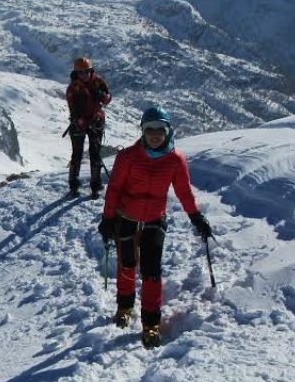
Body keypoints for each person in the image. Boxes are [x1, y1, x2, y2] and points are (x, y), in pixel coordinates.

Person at [97, 105, 212, 348]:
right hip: (125, 216)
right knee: (127, 264)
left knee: (151, 271)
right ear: (142, 131)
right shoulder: (127, 157)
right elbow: (114, 189)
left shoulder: (176, 159)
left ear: (169, 130)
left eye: (161, 129)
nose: (155, 134)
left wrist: (196, 217)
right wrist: (107, 219)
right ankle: (125, 307)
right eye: (150, 129)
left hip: (154, 219)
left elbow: (183, 192)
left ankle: (151, 324)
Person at [65, 56, 111, 198]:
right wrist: (79, 121)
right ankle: (73, 186)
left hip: (96, 120)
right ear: (77, 74)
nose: (84, 75)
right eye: (81, 73)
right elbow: (72, 108)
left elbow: (108, 96)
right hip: (79, 122)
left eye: (86, 71)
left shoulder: (98, 81)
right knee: (77, 154)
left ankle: (95, 186)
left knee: (95, 154)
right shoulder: (73, 88)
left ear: (91, 70)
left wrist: (104, 97)